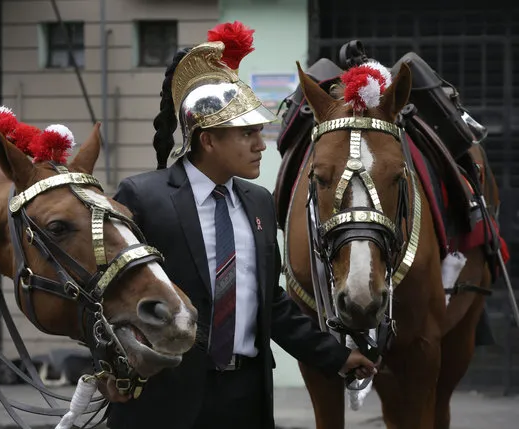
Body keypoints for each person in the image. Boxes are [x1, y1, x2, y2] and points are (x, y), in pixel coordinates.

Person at [102, 22, 378, 429]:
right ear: (208, 140)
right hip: (162, 398)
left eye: (259, 132)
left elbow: (270, 304)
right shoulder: (143, 197)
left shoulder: (259, 202)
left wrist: (335, 356)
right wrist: (111, 365)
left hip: (247, 398)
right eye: (247, 133)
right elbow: (109, 296)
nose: (260, 145)